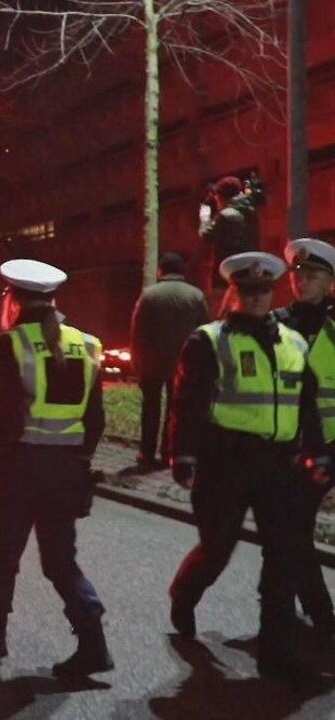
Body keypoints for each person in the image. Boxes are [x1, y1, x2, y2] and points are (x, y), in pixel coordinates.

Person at [167, 251, 327, 683]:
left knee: (283, 556)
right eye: (248, 290)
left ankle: (277, 652)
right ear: (233, 293)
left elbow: (306, 406)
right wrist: (182, 455)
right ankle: (185, 593)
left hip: (279, 466)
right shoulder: (209, 340)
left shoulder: (293, 341)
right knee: (217, 549)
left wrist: (319, 452)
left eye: (263, 291)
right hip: (226, 464)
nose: (257, 298)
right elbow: (187, 403)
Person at [0, 259, 112, 678]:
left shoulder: (10, 345)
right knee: (60, 562)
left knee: (5, 557)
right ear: (54, 299)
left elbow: (5, 419)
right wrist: (80, 460)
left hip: (18, 470)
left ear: (13, 299)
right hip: (66, 471)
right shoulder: (87, 344)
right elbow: (96, 418)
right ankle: (93, 644)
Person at [274, 238, 335, 646]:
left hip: (328, 448)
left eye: (312, 274)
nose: (303, 280)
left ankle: (316, 615)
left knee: (292, 531)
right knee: (289, 531)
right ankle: (302, 613)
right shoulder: (274, 324)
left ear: (331, 282)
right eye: (298, 272)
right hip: (283, 447)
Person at [129, 252, 209, 469]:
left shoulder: (149, 295)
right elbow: (205, 330)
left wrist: (137, 361)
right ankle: (169, 453)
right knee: (177, 409)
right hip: (184, 364)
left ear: (160, 271)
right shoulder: (196, 295)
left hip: (152, 363)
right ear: (182, 271)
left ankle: (146, 453)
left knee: (150, 409)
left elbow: (138, 330)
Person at [200, 176, 261, 295]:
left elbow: (207, 235)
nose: (217, 203)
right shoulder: (250, 212)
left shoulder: (226, 215)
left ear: (223, 197)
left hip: (228, 275)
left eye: (217, 199)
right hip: (249, 273)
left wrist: (205, 218)